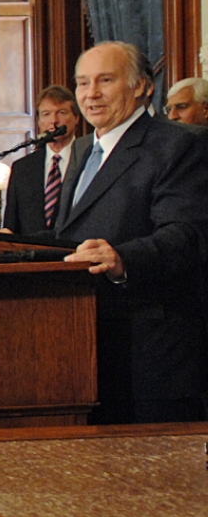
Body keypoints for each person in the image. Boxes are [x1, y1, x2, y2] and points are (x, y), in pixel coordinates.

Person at [57, 42, 208, 423]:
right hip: (84, 346)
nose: (90, 94)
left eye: (105, 80)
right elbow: (75, 236)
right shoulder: (81, 151)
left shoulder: (180, 144)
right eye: (82, 83)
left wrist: (123, 259)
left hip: (150, 353)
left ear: (141, 86)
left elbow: (187, 234)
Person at [3, 86, 81, 235]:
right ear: (38, 122)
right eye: (46, 114)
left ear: (76, 118)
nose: (54, 121)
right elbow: (11, 226)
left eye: (61, 113)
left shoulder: (88, 158)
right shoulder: (22, 168)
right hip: (32, 255)